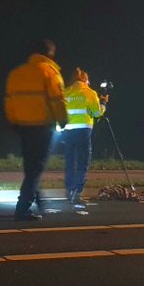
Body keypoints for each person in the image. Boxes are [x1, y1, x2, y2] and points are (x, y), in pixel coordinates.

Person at [4, 39, 67, 221]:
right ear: (50, 54)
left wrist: (14, 122)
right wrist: (62, 120)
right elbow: (58, 101)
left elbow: (9, 101)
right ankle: (22, 208)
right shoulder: (50, 73)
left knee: (31, 166)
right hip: (43, 127)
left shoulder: (17, 73)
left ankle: (39, 201)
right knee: (35, 168)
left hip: (23, 127)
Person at [59, 67, 105, 204]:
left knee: (69, 161)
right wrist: (103, 103)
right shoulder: (89, 92)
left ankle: (68, 191)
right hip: (83, 132)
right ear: (85, 79)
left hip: (68, 132)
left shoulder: (66, 92)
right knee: (82, 162)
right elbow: (97, 113)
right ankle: (77, 193)